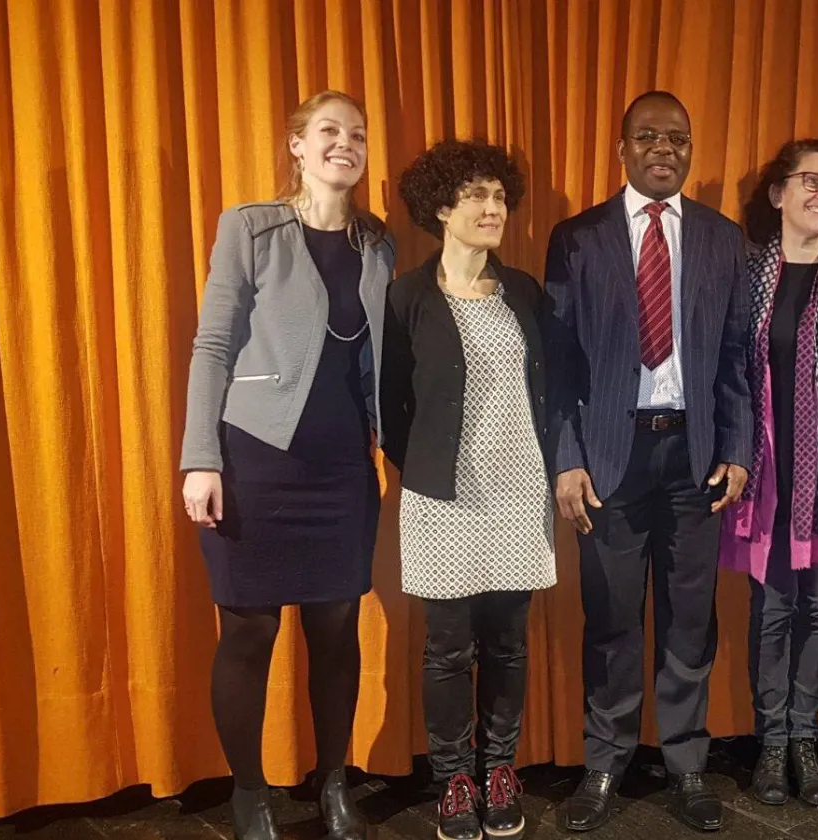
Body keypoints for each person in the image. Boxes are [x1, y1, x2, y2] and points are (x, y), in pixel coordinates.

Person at [179, 90, 395, 840]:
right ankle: (250, 794)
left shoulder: (378, 244)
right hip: (254, 459)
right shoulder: (250, 227)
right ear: (297, 145)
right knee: (249, 633)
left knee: (336, 630)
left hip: (343, 467)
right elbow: (212, 345)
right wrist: (200, 459)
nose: (346, 144)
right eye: (329, 130)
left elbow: (380, 358)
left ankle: (333, 782)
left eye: (357, 134)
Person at [541, 90, 752, 834]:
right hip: (609, 457)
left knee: (690, 619)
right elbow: (557, 363)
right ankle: (605, 762)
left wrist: (737, 447)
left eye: (678, 138)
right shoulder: (577, 239)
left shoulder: (724, 240)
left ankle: (688, 763)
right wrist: (567, 459)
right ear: (622, 148)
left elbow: (736, 357)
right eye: (648, 136)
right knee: (610, 618)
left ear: (691, 150)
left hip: (695, 459)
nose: (664, 148)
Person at [381, 139, 556, 840]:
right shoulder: (407, 298)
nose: (493, 208)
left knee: (508, 644)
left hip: (520, 491)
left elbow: (551, 388)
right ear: (440, 208)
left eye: (500, 196)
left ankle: (499, 770)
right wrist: (426, 470)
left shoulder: (525, 293)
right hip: (442, 500)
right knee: (448, 648)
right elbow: (391, 406)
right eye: (476, 195)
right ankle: (454, 778)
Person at [722, 139, 818, 808]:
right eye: (812, 180)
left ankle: (805, 742)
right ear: (778, 193)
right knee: (773, 609)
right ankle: (772, 742)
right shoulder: (749, 273)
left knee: (815, 607)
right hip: (767, 475)